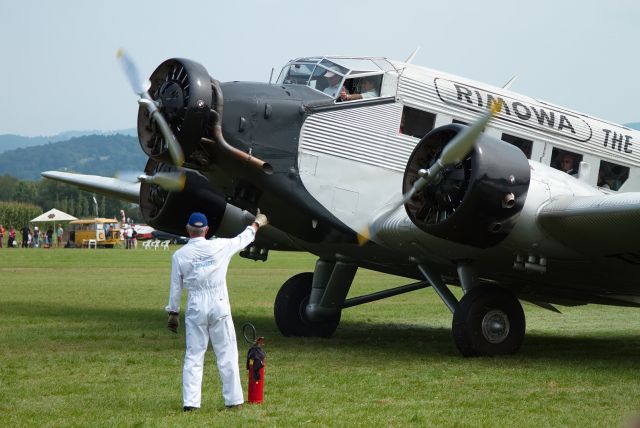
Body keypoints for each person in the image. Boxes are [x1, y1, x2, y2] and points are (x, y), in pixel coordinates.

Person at [166, 210, 268, 411]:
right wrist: (258, 223)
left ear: (188, 230)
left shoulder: (179, 255)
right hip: (218, 302)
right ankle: (233, 400)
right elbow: (243, 238)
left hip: (196, 304)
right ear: (206, 230)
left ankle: (191, 403)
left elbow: (176, 287)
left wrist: (173, 312)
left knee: (194, 355)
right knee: (227, 353)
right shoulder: (219, 245)